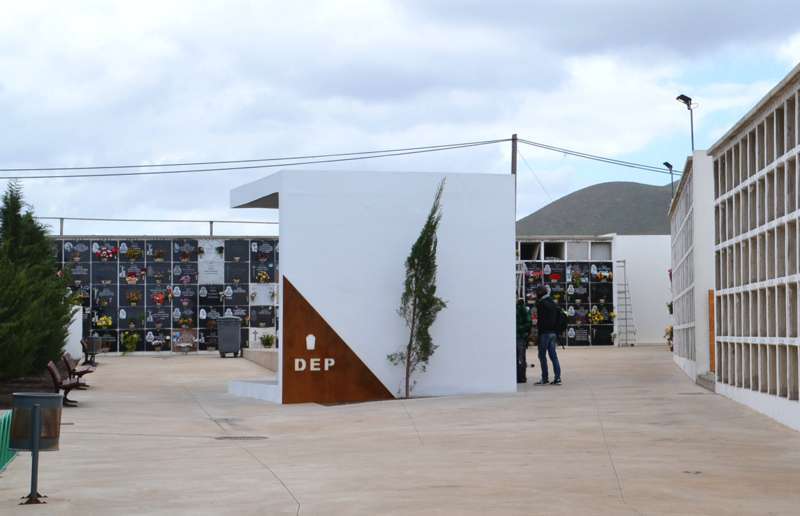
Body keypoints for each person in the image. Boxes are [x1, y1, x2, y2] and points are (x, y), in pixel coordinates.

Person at [534, 285, 562, 385]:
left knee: (542, 355)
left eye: (536, 293)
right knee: (553, 356)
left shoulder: (541, 303)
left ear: (540, 293)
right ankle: (557, 378)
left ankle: (545, 378)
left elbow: (541, 320)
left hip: (544, 333)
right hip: (553, 333)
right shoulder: (553, 302)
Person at [515, 299, 531, 383]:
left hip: (519, 337)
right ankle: (520, 377)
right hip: (520, 337)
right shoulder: (524, 309)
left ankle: (520, 377)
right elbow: (528, 323)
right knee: (521, 357)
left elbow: (528, 323)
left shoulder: (521, 309)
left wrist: (519, 329)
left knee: (520, 358)